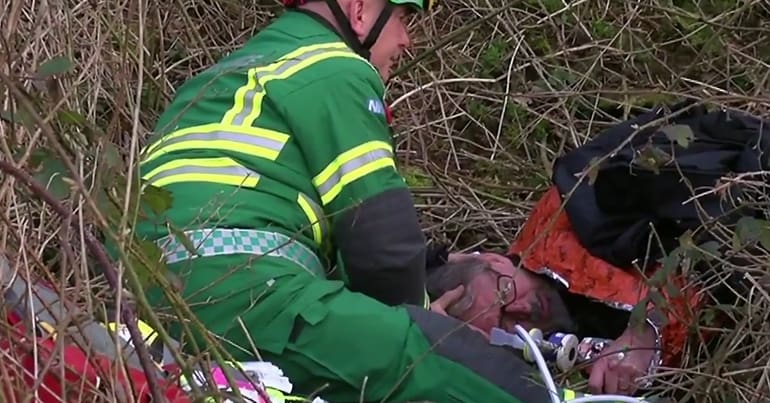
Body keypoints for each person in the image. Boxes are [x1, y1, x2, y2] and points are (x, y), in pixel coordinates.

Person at [132, 1, 596, 402]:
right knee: (447, 357)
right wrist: (421, 317)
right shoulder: (336, 67)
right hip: (249, 297)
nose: (407, 40)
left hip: (142, 302)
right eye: (401, 18)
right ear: (359, 12)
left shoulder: (215, 80)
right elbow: (383, 248)